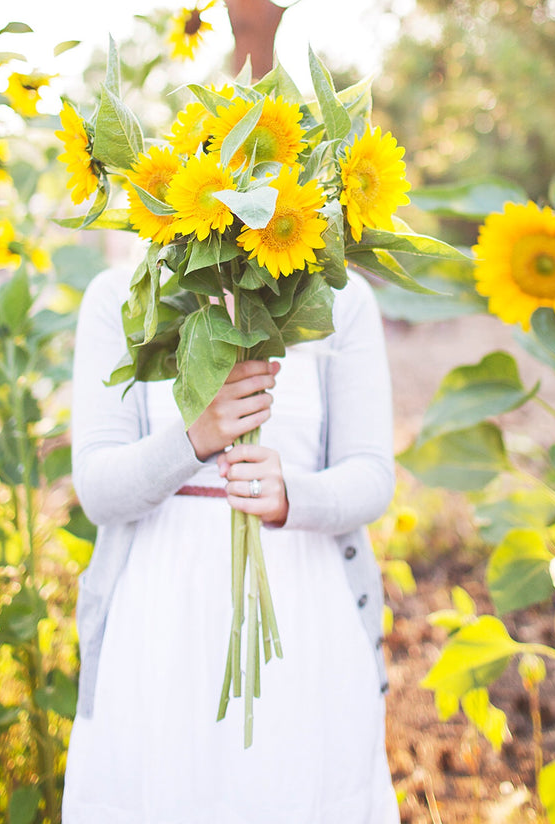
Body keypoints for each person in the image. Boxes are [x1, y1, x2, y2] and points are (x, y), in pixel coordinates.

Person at [62, 258, 401, 824]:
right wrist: (195, 436)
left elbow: (370, 474)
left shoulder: (339, 298)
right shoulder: (119, 295)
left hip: (305, 614)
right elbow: (98, 489)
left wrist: (292, 495)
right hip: (155, 624)